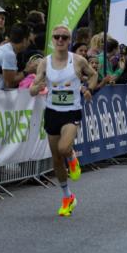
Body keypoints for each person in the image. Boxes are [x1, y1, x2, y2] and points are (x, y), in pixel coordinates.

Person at [29, 25, 99, 217]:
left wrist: (88, 89)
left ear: (69, 40)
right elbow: (33, 88)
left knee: (63, 148)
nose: (60, 40)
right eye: (57, 37)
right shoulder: (45, 63)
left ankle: (72, 156)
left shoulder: (77, 60)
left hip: (71, 112)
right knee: (56, 159)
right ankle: (67, 196)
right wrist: (36, 88)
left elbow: (93, 75)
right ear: (52, 40)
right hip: (52, 112)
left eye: (64, 37)